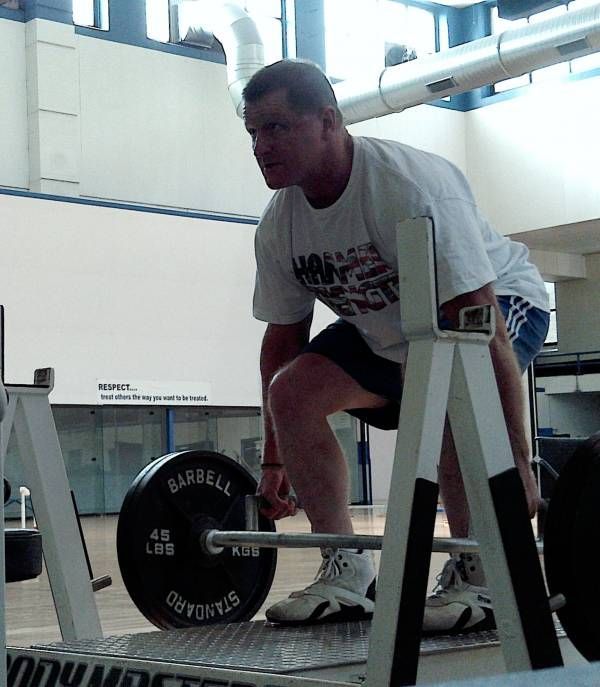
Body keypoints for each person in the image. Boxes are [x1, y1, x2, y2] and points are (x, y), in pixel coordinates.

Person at [242, 58, 549, 632]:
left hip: (499, 304)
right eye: (253, 131)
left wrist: (518, 467)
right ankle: (347, 572)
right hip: (389, 332)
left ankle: (480, 573)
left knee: (455, 396)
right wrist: (274, 457)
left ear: (329, 121)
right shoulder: (278, 225)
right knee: (294, 391)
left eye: (279, 128)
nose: (262, 145)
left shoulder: (408, 188)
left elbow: (483, 330)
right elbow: (282, 341)